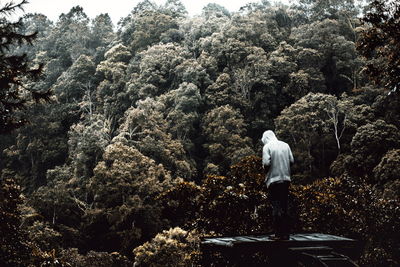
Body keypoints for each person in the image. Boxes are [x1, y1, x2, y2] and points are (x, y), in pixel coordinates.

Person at [261, 130, 294, 240]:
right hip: (286, 179)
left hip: (273, 180)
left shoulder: (267, 147)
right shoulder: (285, 145)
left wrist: (265, 172)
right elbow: (292, 161)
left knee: (276, 206)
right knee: (284, 206)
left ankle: (278, 234)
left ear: (266, 138)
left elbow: (266, 163)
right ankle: (286, 234)